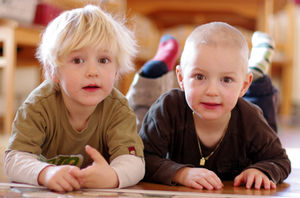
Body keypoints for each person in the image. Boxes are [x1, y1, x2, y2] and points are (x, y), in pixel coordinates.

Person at [128, 22, 290, 190]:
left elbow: (279, 160)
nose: (212, 91)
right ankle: (251, 68)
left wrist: (261, 170)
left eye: (226, 79)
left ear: (243, 85)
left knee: (261, 99)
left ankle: (258, 64)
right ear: (181, 78)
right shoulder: (168, 109)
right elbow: (141, 158)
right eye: (199, 77)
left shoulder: (250, 118)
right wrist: (180, 173)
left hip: (248, 105)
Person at [4, 5, 145, 192]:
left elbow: (135, 162)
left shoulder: (118, 108)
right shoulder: (38, 105)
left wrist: (113, 176)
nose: (93, 72)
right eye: (78, 60)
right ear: (53, 70)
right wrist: (45, 173)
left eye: (103, 60)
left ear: (117, 70)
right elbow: (14, 159)